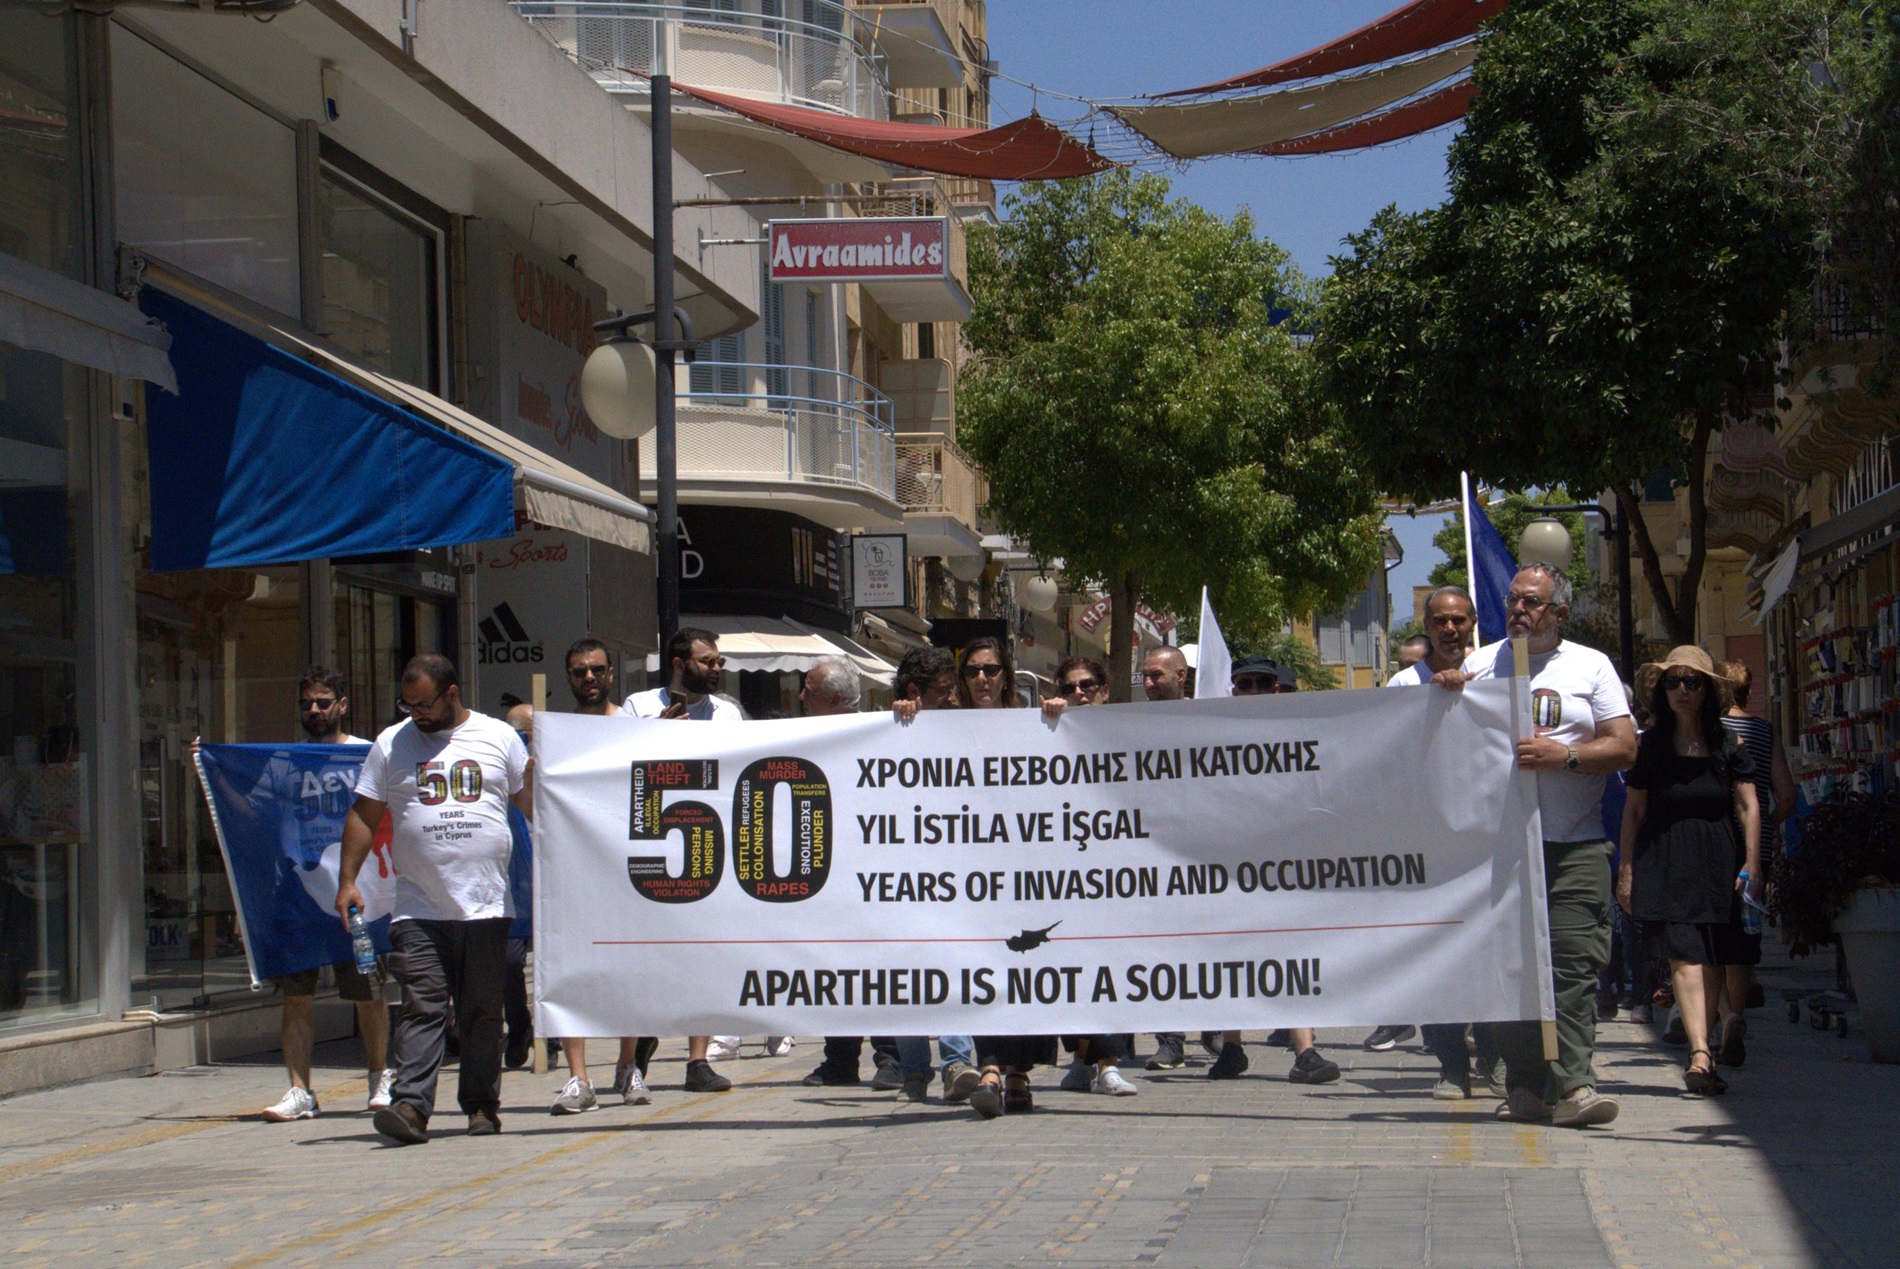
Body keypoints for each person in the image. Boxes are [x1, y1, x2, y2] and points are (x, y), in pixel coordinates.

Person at [1433, 563, 1637, 1129]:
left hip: (1575, 846)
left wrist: (1565, 756)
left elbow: (1624, 748)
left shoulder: (1590, 666)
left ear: (1560, 613)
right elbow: (1442, 749)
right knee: (1511, 968)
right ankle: (1524, 1084)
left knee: (1573, 968)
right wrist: (1444, 692)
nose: (1519, 611)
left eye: (1532, 603)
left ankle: (1574, 1085)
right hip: (1498, 853)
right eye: (1512, 602)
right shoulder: (1479, 664)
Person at [339, 654, 531, 1145]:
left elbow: (533, 803)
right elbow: (363, 815)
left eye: (425, 705)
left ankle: (482, 1106)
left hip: (485, 905)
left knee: (482, 1011)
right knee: (423, 1004)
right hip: (418, 905)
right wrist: (348, 881)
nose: (416, 715)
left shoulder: (497, 737)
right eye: (409, 705)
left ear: (451, 694)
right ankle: (411, 1106)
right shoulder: (391, 743)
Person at [232, 667, 393, 1123]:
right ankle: (300, 1090)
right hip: (300, 896)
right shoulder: (285, 761)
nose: (315, 711)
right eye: (307, 704)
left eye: (323, 702)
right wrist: (210, 772)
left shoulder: (367, 755)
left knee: (368, 990)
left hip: (357, 893)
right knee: (296, 995)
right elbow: (252, 812)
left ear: (342, 705)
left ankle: (380, 1076)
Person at [1616, 648, 1761, 1096]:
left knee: (1712, 953)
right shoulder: (1651, 746)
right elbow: (1633, 811)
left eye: (1691, 682)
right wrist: (1625, 869)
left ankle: (1707, 1048)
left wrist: (1753, 862)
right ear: (1662, 691)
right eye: (1673, 682)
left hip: (1718, 857)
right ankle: (1700, 1051)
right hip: (1664, 856)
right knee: (1684, 953)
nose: (1681, 690)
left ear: (1706, 691)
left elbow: (1749, 804)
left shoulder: (1726, 744)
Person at [1374, 588, 1498, 1093]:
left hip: (1487, 837)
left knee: (1491, 950)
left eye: (1459, 620)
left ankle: (1494, 1054)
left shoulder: (1497, 677)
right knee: (1434, 955)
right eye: (1440, 621)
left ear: (1472, 623)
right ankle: (1450, 1062)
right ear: (1426, 625)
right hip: (1426, 841)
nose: (1450, 629)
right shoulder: (1404, 682)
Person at [624, 627, 740, 1093]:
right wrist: (659, 738)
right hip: (652, 843)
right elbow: (618, 764)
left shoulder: (726, 714)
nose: (715, 669)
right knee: (642, 955)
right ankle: (632, 1051)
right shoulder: (638, 707)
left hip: (706, 843)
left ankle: (697, 1060)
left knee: (701, 953)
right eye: (707, 661)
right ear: (677, 663)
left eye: (718, 663)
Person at [1219, 655, 1341, 1086]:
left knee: (1290, 950)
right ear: (1234, 690)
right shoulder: (1212, 734)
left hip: (1284, 862)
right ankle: (1231, 1046)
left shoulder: (1301, 733)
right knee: (1231, 950)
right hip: (1226, 864)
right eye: (1244, 683)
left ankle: (1304, 1050)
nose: (1252, 691)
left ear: (1275, 689)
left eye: (1261, 684)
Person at [548, 641, 655, 1113]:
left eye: (595, 669)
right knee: (569, 970)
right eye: (578, 672)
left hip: (625, 867)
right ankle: (578, 1077)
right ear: (567, 678)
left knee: (628, 970)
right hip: (571, 866)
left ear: (611, 673)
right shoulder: (555, 732)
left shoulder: (634, 729)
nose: (588, 678)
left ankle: (628, 1064)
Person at [795, 658, 906, 1092]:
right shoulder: (798, 735)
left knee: (876, 967)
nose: (801, 696)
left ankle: (891, 1057)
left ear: (835, 700)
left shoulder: (880, 735)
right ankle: (839, 1059)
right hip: (827, 874)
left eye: (809, 689)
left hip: (873, 874)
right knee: (833, 967)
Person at [880, 648, 983, 1104]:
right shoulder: (885, 732)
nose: (953, 699)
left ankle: (957, 1062)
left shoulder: (962, 729)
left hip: (951, 872)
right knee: (904, 974)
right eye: (943, 692)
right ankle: (915, 1072)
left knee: (951, 961)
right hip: (897, 875)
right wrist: (901, 719)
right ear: (913, 692)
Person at [1041, 657, 1140, 1098]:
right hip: (1061, 876)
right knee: (1071, 970)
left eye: (1088, 685)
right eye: (1070, 686)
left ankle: (1107, 1064)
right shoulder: (1045, 731)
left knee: (1109, 969)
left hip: (1117, 875)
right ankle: (1082, 1060)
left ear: (1104, 688)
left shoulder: (1129, 731)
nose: (1080, 693)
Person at [1713, 659, 1795, 1067]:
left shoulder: (1711, 731)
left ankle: (1724, 1017)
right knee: (1744, 937)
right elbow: (1787, 795)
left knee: (1710, 933)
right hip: (1755, 848)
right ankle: (1738, 1015)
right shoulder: (1764, 731)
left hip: (1714, 842)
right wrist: (1769, 827)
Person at [1138, 647, 1194, 1072]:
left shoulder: (1208, 722)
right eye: (1145, 676)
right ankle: (1170, 1038)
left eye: (1158, 675)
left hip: (1203, 856)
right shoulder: (1128, 725)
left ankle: (1217, 1026)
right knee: (1163, 951)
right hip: (1151, 859)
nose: (1150, 683)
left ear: (1182, 676)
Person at [500, 704, 537, 1073]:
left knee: (553, 959)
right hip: (512, 879)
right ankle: (520, 1023)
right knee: (509, 960)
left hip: (551, 874)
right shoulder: (500, 764)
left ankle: (553, 1036)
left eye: (525, 734)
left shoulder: (554, 762)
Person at [956, 635, 1020, 710]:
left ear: (1005, 678)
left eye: (990, 669)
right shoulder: (952, 720)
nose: (981, 678)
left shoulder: (1022, 720)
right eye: (972, 670)